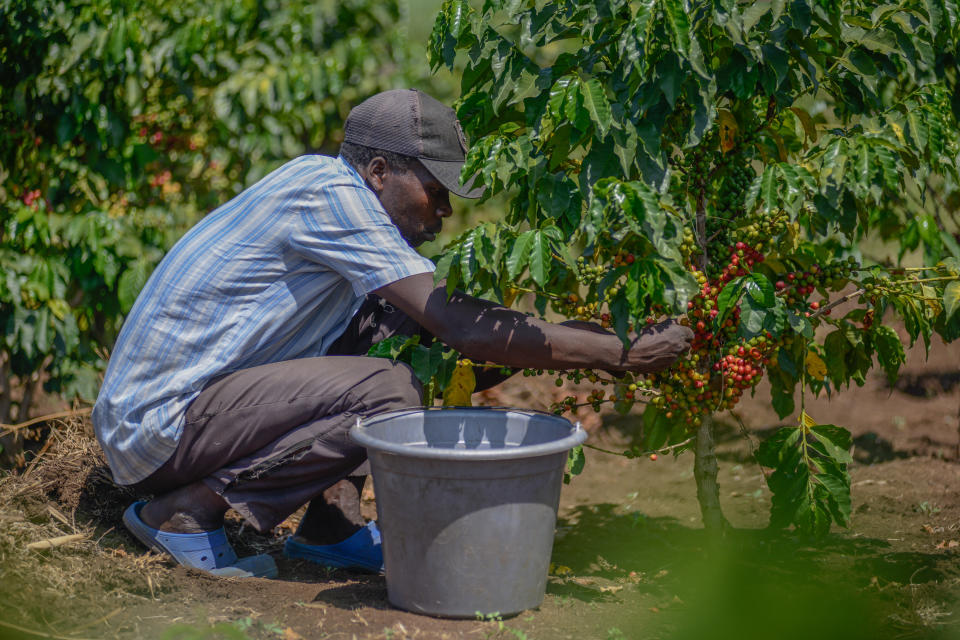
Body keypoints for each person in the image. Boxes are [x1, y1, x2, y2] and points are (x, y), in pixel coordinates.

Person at [92, 89, 694, 578]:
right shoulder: (329, 194)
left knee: (409, 338)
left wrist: (586, 332)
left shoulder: (339, 194)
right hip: (160, 428)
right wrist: (620, 352)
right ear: (378, 171)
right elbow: (465, 328)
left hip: (202, 413)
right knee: (391, 390)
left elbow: (450, 332)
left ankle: (332, 526)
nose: (444, 213)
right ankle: (186, 513)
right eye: (434, 193)